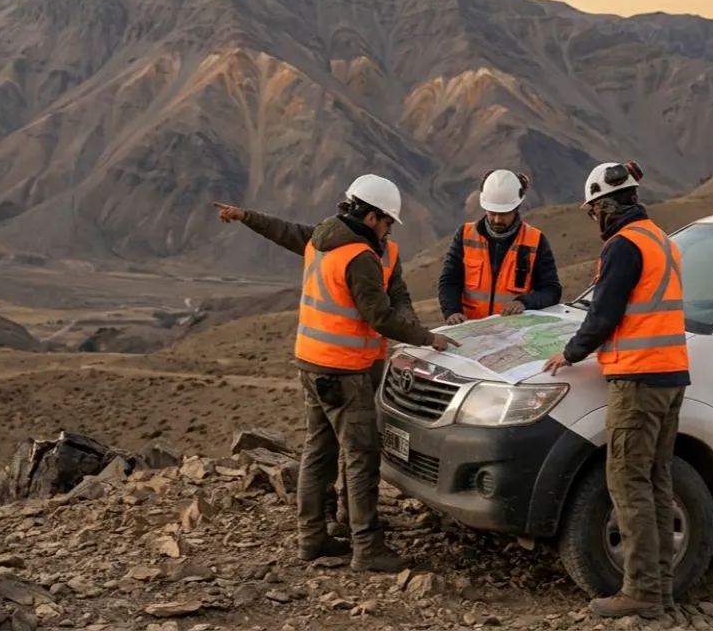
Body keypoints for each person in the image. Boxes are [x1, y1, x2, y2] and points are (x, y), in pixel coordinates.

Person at [214, 175, 459, 572]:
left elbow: (283, 231)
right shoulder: (359, 256)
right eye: (388, 222)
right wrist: (428, 338)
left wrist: (246, 216)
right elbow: (380, 317)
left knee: (319, 452)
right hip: (345, 371)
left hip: (311, 363)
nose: (390, 229)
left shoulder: (322, 238)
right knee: (361, 458)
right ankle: (368, 549)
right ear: (372, 216)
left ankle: (312, 538)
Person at [542, 161, 689, 620]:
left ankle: (641, 591)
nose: (594, 219)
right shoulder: (662, 241)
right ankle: (660, 588)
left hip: (639, 379)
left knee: (628, 483)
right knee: (656, 482)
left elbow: (604, 314)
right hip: (670, 375)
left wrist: (570, 352)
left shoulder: (624, 246)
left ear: (604, 207)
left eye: (593, 211)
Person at [438, 169, 561, 324]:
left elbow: (551, 290)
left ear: (516, 208)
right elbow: (449, 281)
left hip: (512, 331)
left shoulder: (535, 241)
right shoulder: (465, 235)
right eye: (492, 213)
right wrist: (452, 311)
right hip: (469, 329)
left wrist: (524, 303)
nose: (497, 220)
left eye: (503, 214)